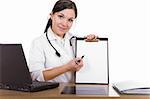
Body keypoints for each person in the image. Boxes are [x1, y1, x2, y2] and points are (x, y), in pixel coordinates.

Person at [29, 0, 98, 83]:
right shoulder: (38, 43)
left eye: (70, 20)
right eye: (61, 16)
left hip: (76, 93)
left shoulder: (75, 40)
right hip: (52, 94)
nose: (65, 24)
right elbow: (36, 76)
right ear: (51, 15)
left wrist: (93, 46)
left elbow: (89, 69)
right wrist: (67, 67)